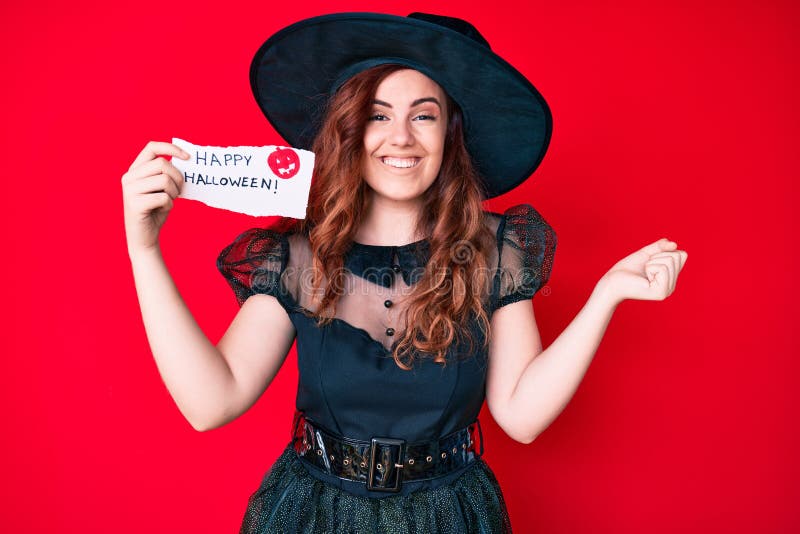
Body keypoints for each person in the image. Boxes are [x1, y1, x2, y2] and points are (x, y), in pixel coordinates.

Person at [121, 12, 687, 533]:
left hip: (451, 514)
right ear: (350, 129)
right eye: (378, 115)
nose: (401, 138)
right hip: (314, 514)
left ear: (450, 135)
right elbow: (210, 402)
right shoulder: (301, 254)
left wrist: (605, 298)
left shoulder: (495, 249)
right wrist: (145, 252)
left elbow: (521, 416)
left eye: (424, 115)